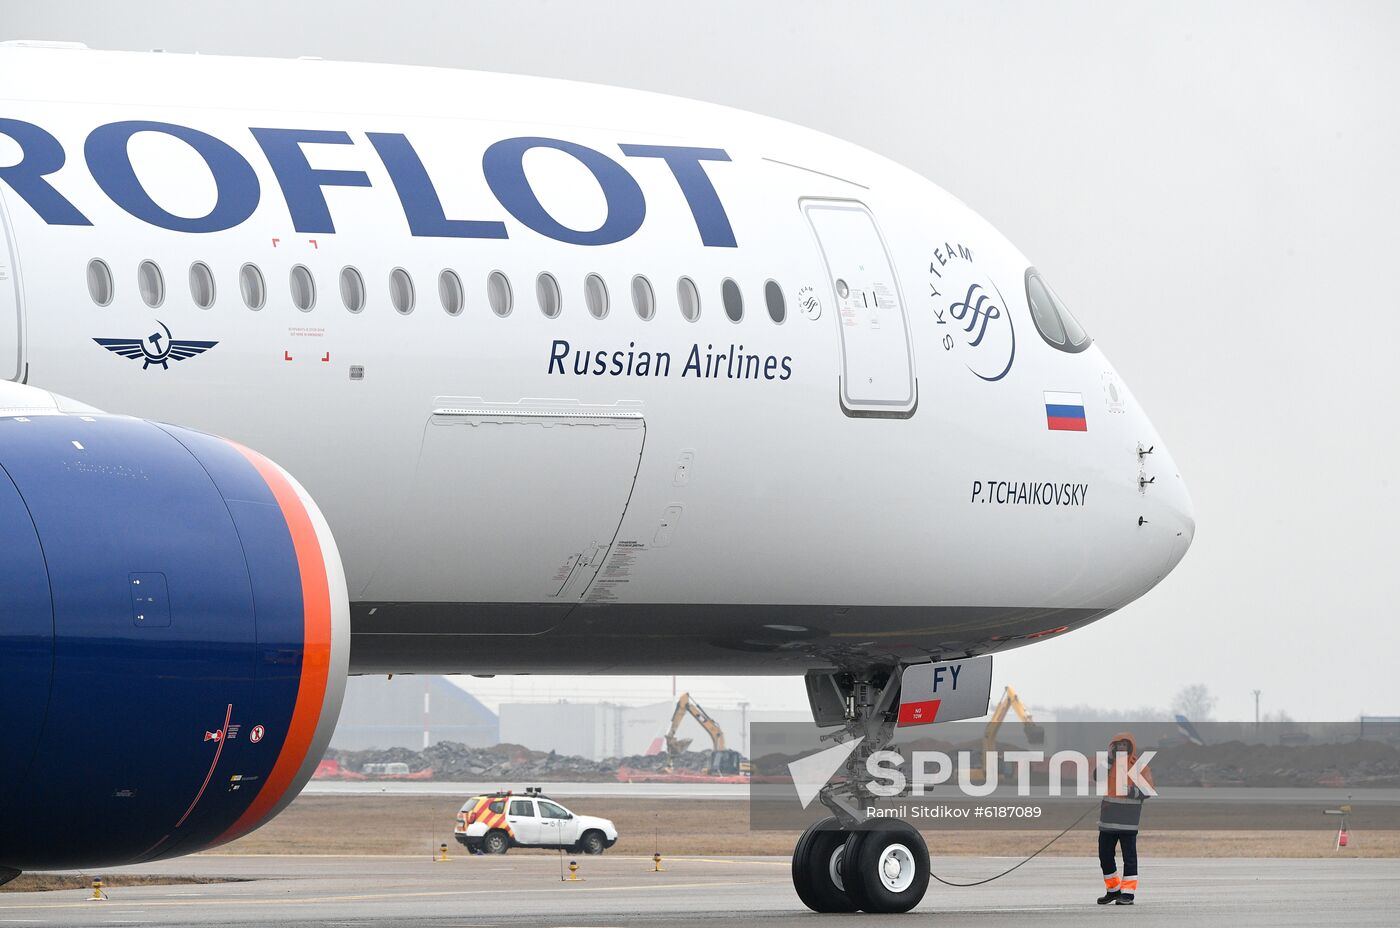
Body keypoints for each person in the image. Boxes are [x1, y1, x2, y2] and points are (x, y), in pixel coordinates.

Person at [1096, 732, 1153, 906]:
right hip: (1107, 820)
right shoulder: (1108, 764)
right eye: (1118, 745)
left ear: (1130, 747)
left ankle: (1127, 893)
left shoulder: (1138, 766)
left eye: (1124, 745)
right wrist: (1108, 761)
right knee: (1105, 856)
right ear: (1113, 747)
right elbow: (1096, 778)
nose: (1121, 748)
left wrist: (1129, 792)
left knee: (1129, 858)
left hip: (1128, 821)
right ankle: (1113, 890)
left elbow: (1148, 791)